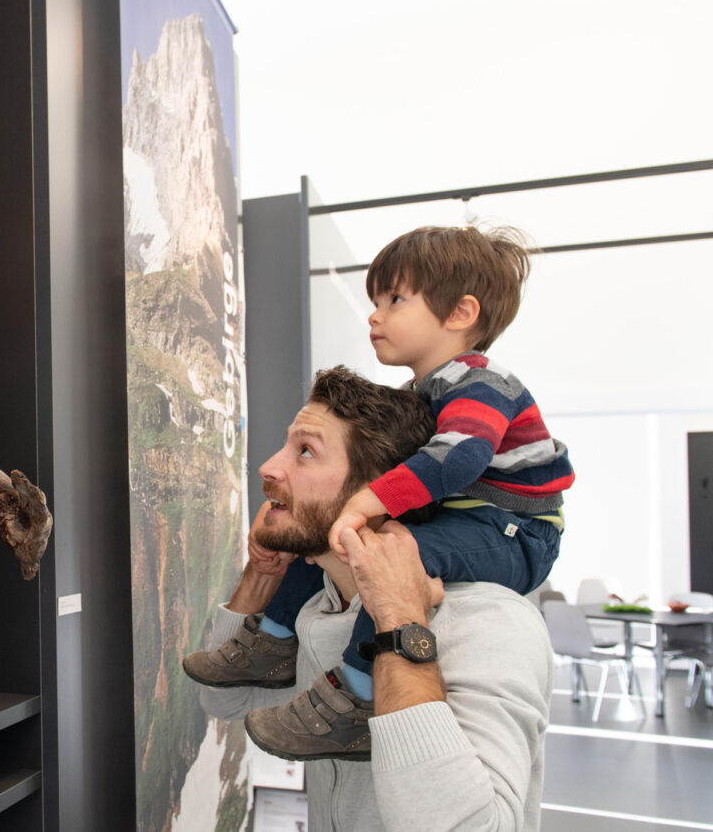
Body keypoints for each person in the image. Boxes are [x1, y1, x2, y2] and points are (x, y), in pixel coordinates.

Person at [185, 225, 572, 760]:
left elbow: (460, 457)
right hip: (471, 517)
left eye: (394, 300)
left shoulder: (482, 384)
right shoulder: (422, 392)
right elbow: (219, 707)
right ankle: (272, 638)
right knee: (315, 534)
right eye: (375, 301)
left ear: (460, 314)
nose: (374, 315)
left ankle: (360, 693)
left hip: (514, 530)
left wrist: (366, 502)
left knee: (399, 552)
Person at [193, 367, 553, 830]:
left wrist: (399, 619)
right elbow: (223, 704)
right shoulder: (317, 607)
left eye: (305, 451)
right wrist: (260, 577)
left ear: (381, 489)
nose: (269, 467)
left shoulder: (491, 623)